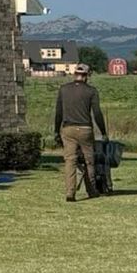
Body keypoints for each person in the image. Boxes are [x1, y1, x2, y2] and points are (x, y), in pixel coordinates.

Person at [53, 64, 109, 202]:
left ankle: (70, 192)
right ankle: (91, 190)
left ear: (74, 74)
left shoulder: (64, 89)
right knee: (89, 161)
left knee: (70, 161)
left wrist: (56, 131)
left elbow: (59, 112)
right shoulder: (91, 91)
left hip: (68, 129)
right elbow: (97, 113)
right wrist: (103, 132)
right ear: (87, 75)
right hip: (85, 129)